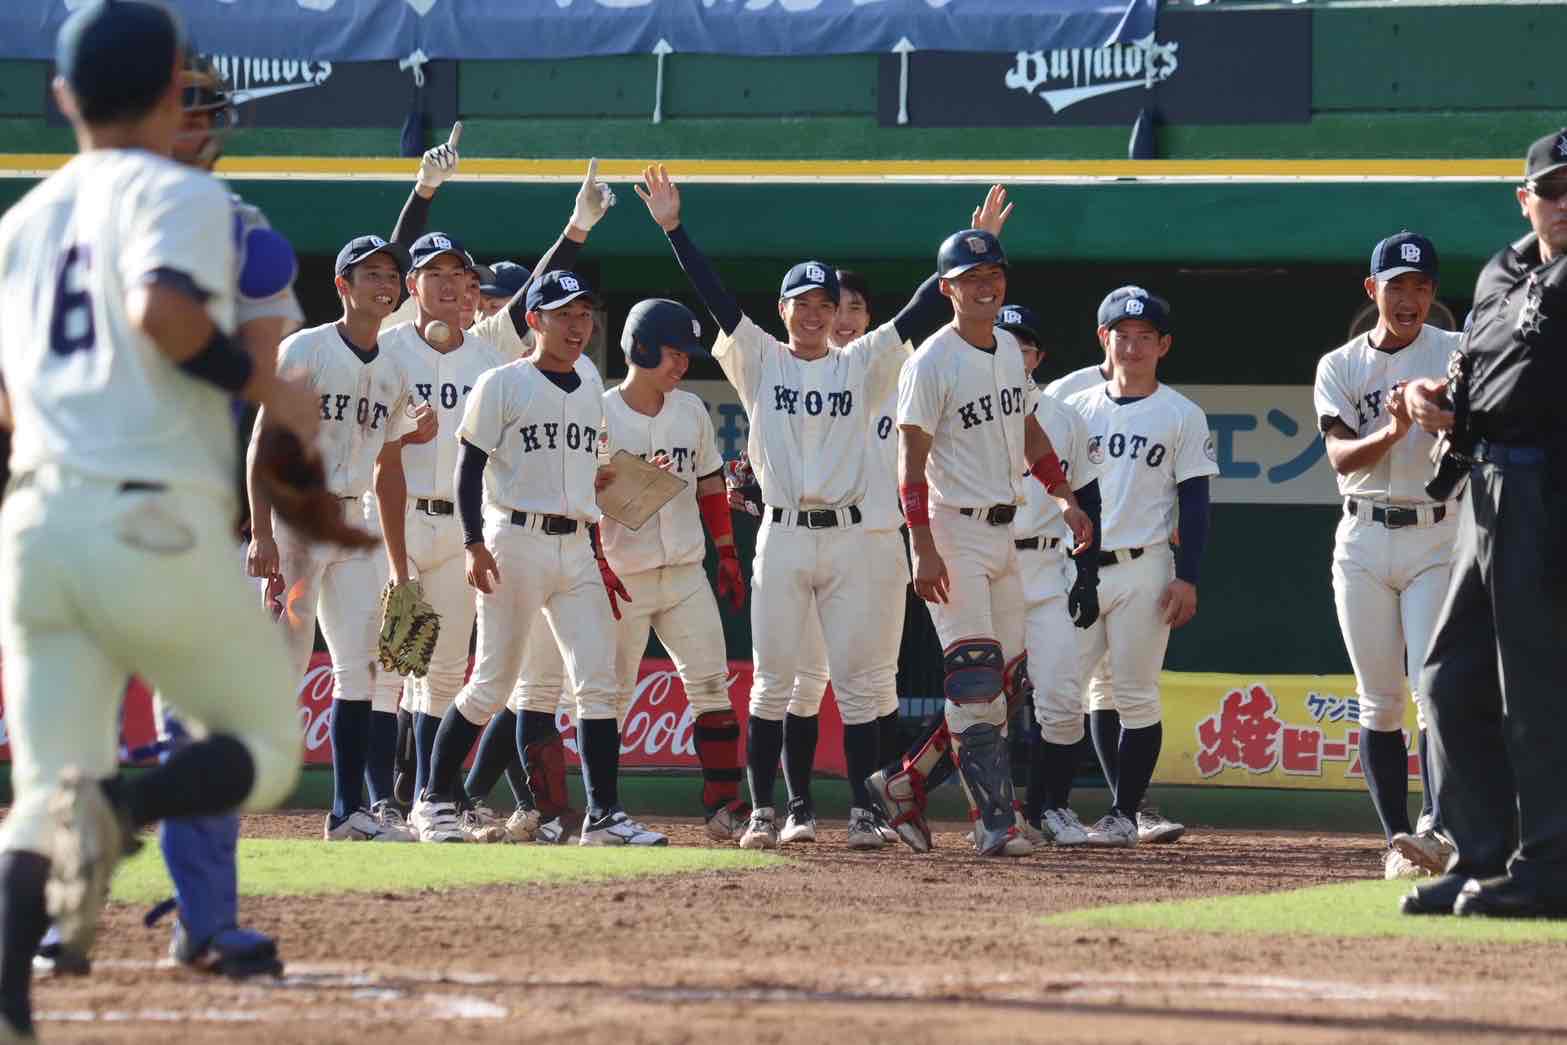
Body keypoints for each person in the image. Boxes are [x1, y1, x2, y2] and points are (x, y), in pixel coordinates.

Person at [0, 2, 322, 1034]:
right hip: (149, 515)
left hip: (37, 518)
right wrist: (259, 384)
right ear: (169, 89)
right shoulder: (179, 192)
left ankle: (15, 994)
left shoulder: (18, 222)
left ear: (61, 97)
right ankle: (129, 813)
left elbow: (10, 403)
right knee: (261, 743)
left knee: (48, 778)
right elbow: (160, 310)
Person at [635, 164, 979, 850]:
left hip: (852, 538)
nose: (817, 311)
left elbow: (917, 308)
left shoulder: (863, 363)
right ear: (783, 308)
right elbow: (714, 297)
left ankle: (861, 810)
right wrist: (675, 228)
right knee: (772, 684)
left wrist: (970, 247)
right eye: (804, 301)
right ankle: (765, 809)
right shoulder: (758, 357)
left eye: (826, 302)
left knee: (856, 687)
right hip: (784, 535)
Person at [413, 271, 660, 846]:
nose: (577, 325)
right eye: (563, 314)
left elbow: (589, 468)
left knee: (597, 681)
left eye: (583, 314)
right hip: (513, 539)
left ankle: (604, 816)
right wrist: (472, 542)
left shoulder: (591, 375)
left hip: (575, 543)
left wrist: (631, 483)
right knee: (494, 682)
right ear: (534, 320)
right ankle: (432, 799)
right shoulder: (502, 383)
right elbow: (468, 466)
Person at [496, 299, 749, 845]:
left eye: (686, 355)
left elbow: (709, 483)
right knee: (603, 699)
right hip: (621, 576)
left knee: (710, 688)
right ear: (641, 347)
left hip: (684, 572)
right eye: (673, 353)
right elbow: (574, 490)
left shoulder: (692, 413)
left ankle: (725, 806)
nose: (682, 365)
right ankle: (577, 813)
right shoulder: (599, 408)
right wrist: (604, 549)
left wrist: (726, 552)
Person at [883, 229, 1094, 857]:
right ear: (946, 290)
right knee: (974, 682)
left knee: (1002, 685)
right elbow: (909, 461)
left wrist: (1063, 495)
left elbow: (1029, 430)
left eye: (993, 275)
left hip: (1004, 530)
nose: (985, 287)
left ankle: (905, 783)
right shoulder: (930, 361)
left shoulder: (1006, 348)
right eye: (971, 279)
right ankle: (995, 822)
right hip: (952, 529)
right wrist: (922, 544)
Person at [1400, 128, 1567, 918]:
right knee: (1448, 676)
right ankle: (1478, 855)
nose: (1566, 202)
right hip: (1486, 485)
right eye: (1555, 187)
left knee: (1535, 689)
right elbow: (1490, 363)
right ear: (1525, 197)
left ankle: (1550, 866)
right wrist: (1439, 403)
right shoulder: (1504, 268)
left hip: (1551, 485)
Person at [245, 234, 436, 842]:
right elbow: (262, 444)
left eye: (391, 274)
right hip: (299, 520)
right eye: (370, 273)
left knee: (363, 668)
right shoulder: (307, 348)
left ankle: (348, 812)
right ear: (342, 285)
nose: (384, 283)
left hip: (355, 524)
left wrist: (410, 438)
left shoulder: (397, 367)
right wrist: (262, 533)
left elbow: (383, 456)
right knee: (283, 663)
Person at [1312, 232, 1461, 880]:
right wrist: (1394, 429)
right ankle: (1397, 837)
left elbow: (1495, 418)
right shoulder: (1340, 365)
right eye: (1395, 286)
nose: (1409, 298)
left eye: (1421, 286)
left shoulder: (1455, 351)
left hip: (1436, 533)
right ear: (1371, 290)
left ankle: (1434, 829)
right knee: (1379, 700)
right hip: (1364, 534)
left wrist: (1447, 418)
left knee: (1434, 690)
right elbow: (1341, 459)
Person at [1062, 287, 1216, 847]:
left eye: (1144, 337)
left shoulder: (1181, 413)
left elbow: (1196, 502)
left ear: (1163, 344)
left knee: (1133, 692)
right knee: (1065, 691)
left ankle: (1125, 813)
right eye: (1121, 336)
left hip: (1143, 565)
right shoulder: (1075, 406)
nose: (1132, 347)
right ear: (1103, 339)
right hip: (1076, 567)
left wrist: (1188, 575)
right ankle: (1050, 809)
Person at [1001, 305, 1102, 845]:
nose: (1015, 353)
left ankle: (1050, 810)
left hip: (1045, 565)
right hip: (988, 561)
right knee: (982, 703)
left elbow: (1088, 498)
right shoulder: (963, 410)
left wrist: (1087, 575)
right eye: (1004, 342)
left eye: (1025, 345)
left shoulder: (1065, 418)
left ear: (1039, 357)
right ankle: (994, 812)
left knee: (1063, 697)